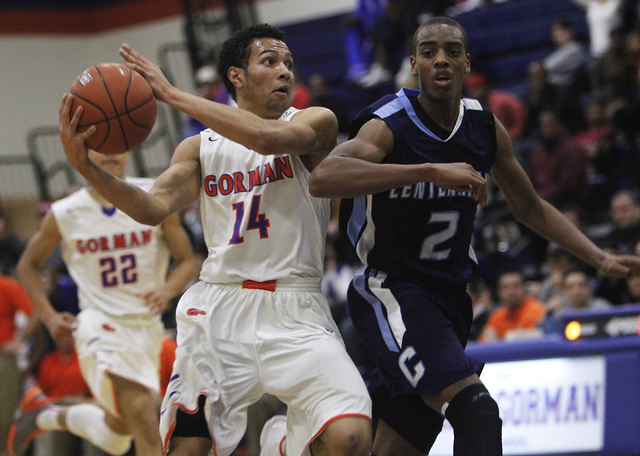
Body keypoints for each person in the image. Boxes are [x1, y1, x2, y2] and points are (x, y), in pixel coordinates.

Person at [308, 16, 640, 455]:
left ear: (468, 63)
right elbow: (324, 175)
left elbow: (531, 208)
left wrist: (598, 257)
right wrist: (430, 170)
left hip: (451, 300)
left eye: (452, 51)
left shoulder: (484, 127)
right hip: (393, 290)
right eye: (429, 52)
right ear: (414, 65)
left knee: (399, 447)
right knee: (477, 411)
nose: (440, 60)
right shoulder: (389, 123)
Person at [59, 24, 372, 456]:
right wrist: (89, 170)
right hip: (221, 310)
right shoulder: (198, 148)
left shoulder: (314, 122)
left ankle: (281, 442)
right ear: (236, 76)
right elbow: (152, 208)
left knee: (350, 438)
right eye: (270, 62)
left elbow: (266, 139)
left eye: (288, 64)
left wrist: (172, 95)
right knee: (188, 450)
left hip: (296, 308)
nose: (284, 71)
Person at [8, 150, 200, 456]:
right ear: (81, 150)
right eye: (99, 144)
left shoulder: (154, 195)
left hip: (146, 329)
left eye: (116, 143)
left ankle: (47, 414)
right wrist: (49, 316)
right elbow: (27, 266)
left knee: (119, 433)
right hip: (98, 324)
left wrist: (167, 291)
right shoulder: (66, 212)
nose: (110, 152)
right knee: (146, 420)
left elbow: (189, 261)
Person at [0, 275, 36, 456]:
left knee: (4, 413)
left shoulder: (6, 285)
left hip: (3, 358)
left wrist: (21, 339)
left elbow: (34, 312)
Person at [479, 271, 546, 342]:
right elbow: (484, 341)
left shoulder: (537, 310)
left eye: (516, 286)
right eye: (505, 287)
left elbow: (535, 338)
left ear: (524, 289)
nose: (511, 292)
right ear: (499, 292)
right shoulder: (496, 316)